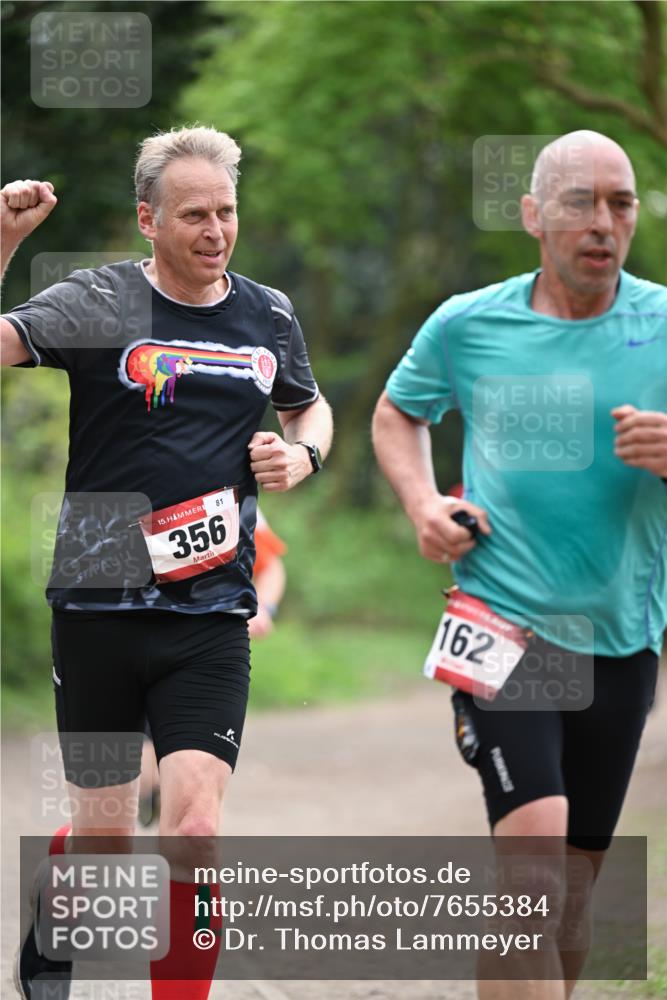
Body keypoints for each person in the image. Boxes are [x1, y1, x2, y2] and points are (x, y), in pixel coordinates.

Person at [1, 125, 333, 999]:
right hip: (97, 606)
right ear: (148, 218)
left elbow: (309, 407)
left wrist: (304, 456)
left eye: (226, 211)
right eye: (193, 214)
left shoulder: (268, 313)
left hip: (212, 616)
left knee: (192, 829)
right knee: (108, 839)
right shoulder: (98, 300)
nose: (215, 229)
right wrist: (3, 242)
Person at [372, 130, 666, 999]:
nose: (603, 222)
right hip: (503, 626)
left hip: (621, 638)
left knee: (571, 895)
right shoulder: (469, 324)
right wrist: (424, 505)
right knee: (531, 878)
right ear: (534, 216)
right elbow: (398, 413)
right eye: (582, 202)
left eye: (621, 203)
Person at [138, 506, 288, 824]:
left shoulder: (229, 487)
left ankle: (169, 798)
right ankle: (150, 795)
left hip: (204, 645)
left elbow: (271, 566)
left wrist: (265, 609)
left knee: (194, 792)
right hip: (126, 640)